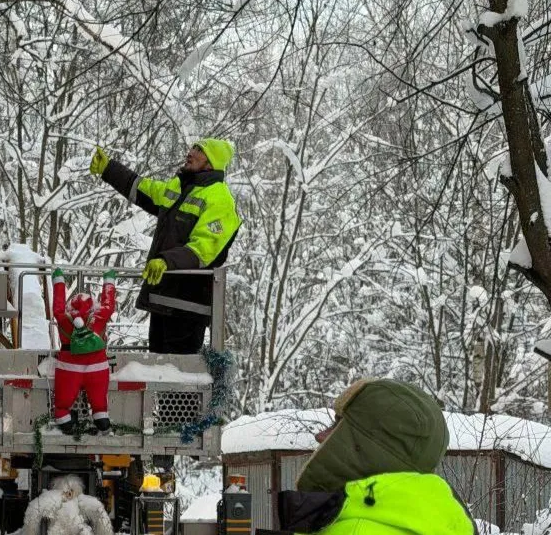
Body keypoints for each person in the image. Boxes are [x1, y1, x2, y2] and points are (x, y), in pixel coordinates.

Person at [90, 140, 241, 354]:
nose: (190, 152)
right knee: (159, 374)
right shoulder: (180, 187)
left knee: (176, 378)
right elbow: (146, 190)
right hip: (162, 298)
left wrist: (166, 261)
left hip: (187, 306)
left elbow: (205, 248)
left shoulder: (220, 199)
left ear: (211, 163)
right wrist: (109, 169)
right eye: (193, 148)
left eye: (199, 150)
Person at [273, 379, 477, 534]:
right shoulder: (446, 522)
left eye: (338, 424)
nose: (320, 436)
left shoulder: (355, 529)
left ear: (365, 446)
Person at [51, 267, 116, 435]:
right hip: (97, 367)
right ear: (92, 305)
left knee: (63, 401)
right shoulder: (99, 316)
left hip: (69, 367)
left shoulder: (64, 317)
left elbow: (57, 306)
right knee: (99, 398)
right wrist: (109, 281)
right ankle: (101, 417)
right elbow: (109, 304)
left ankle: (64, 419)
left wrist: (58, 281)